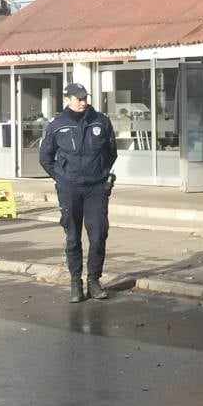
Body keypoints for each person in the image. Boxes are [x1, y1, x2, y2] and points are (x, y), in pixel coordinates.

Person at [39, 83, 117, 303]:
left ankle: (94, 280)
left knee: (99, 234)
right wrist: (62, 178)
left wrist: (101, 174)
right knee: (73, 237)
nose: (83, 102)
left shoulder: (101, 121)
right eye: (78, 99)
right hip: (69, 188)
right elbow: (45, 157)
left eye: (85, 98)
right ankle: (76, 281)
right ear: (68, 99)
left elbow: (111, 152)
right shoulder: (57, 124)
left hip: (96, 188)